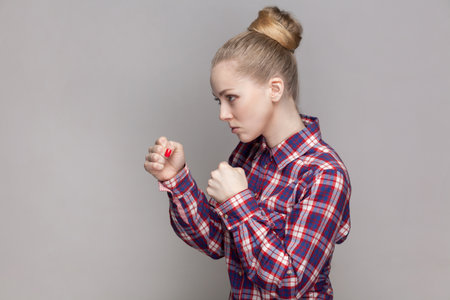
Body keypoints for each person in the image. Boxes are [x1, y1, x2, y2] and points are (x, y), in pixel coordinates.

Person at [144, 6, 351, 300]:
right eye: (219, 101)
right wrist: (176, 179)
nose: (223, 114)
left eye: (231, 98)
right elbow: (218, 243)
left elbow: (289, 282)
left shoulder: (324, 173)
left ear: (275, 89)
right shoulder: (246, 156)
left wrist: (238, 202)